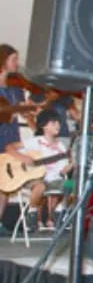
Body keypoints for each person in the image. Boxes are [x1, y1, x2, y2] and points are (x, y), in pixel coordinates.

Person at [18, 109, 72, 228]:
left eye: (59, 122)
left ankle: (59, 210)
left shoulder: (61, 146)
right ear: (43, 125)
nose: (58, 125)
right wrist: (23, 158)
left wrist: (74, 163)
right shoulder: (35, 141)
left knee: (76, 185)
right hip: (34, 178)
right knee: (40, 185)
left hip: (54, 180)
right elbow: (10, 147)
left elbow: (63, 171)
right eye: (53, 123)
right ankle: (31, 213)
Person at [0, 44, 30, 235]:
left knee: (5, 185)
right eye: (14, 59)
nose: (17, 64)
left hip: (10, 138)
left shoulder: (14, 90)